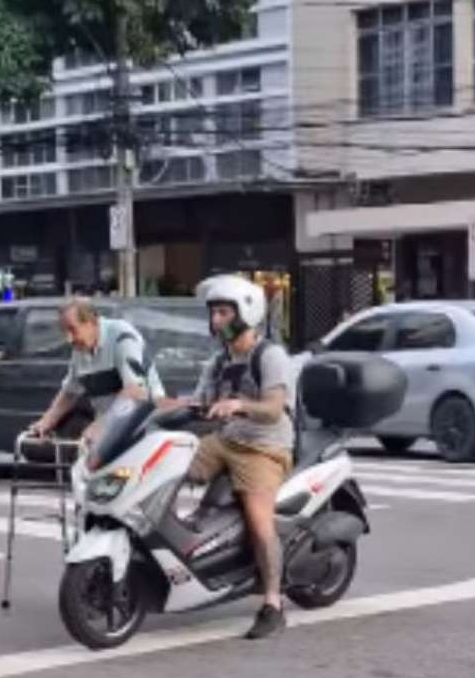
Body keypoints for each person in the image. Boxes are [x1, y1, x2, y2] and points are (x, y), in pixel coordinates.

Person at [175, 274, 296, 640]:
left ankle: (273, 603)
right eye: (213, 313)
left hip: (264, 447)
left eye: (224, 313)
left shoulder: (270, 356)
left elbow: (273, 409)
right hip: (224, 441)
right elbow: (200, 402)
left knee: (260, 522)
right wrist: (163, 406)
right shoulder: (218, 361)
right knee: (167, 469)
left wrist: (238, 404)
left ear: (247, 312)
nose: (216, 321)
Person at [30, 298, 165, 448]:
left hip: (143, 427)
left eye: (72, 329)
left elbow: (135, 392)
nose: (69, 339)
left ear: (92, 322)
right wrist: (45, 422)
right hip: (112, 431)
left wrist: (101, 425)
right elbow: (69, 393)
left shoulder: (122, 337)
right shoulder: (80, 350)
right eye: (64, 332)